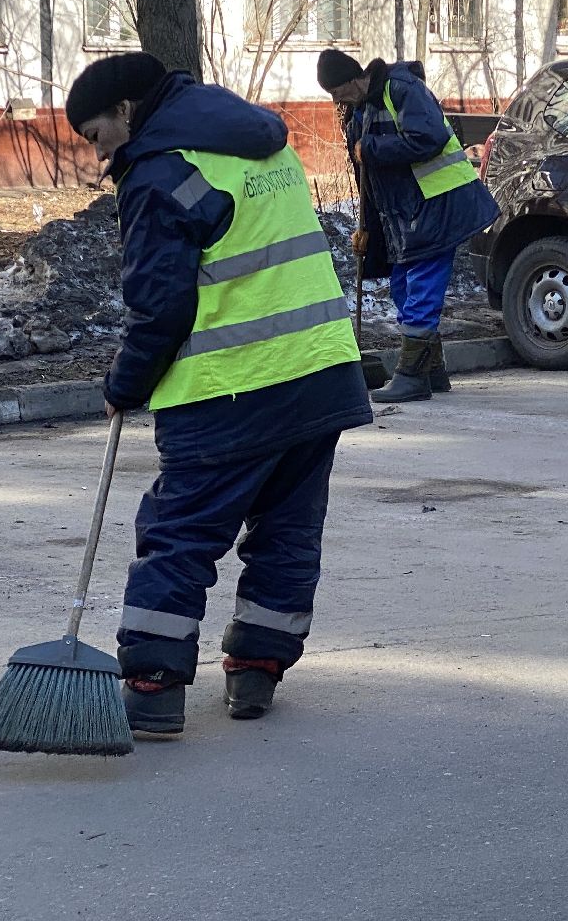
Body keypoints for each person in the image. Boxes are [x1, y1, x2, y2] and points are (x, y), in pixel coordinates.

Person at [66, 53, 373, 734]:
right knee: (288, 530)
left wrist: (125, 384)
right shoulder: (255, 141)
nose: (96, 153)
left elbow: (161, 306)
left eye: (94, 134)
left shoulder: (161, 171)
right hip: (319, 372)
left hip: (230, 387)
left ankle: (153, 685)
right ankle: (257, 671)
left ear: (124, 112)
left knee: (180, 534)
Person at [317, 49, 499, 403]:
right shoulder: (360, 113)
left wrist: (370, 147)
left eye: (338, 92)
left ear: (355, 78)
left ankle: (412, 376)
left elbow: (428, 138)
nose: (337, 100)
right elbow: (366, 178)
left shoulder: (401, 89)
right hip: (412, 212)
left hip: (443, 203)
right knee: (402, 286)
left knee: (420, 285)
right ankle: (432, 370)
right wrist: (366, 228)